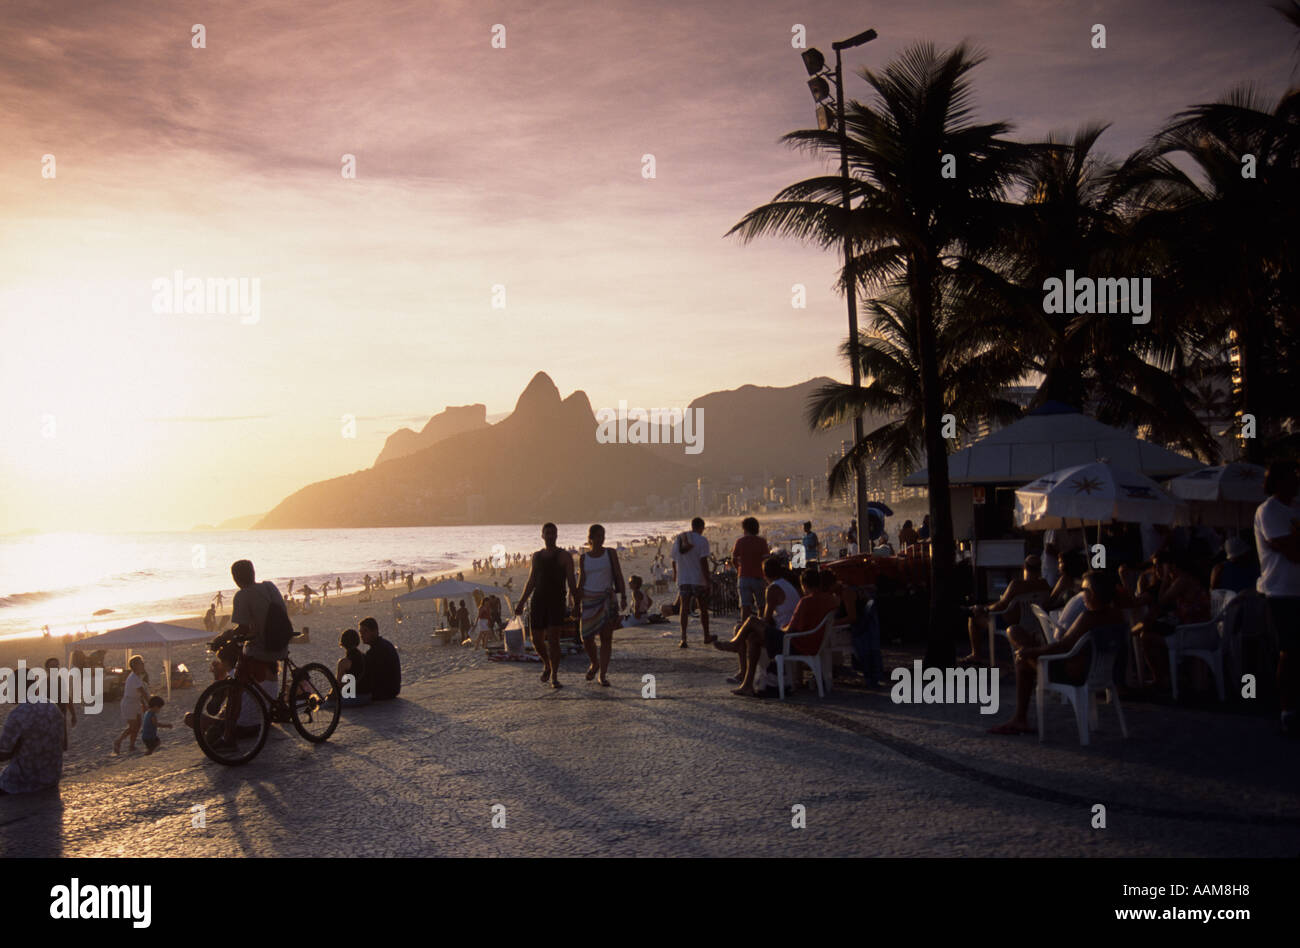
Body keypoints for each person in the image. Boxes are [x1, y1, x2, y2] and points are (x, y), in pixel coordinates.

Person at [990, 570, 1127, 735]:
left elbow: (1062, 646)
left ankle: (1020, 719)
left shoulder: (1088, 618)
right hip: (1102, 674)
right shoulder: (1117, 615)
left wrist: (1030, 651)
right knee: (1019, 638)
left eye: (1085, 590)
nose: (1082, 595)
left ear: (1095, 593)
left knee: (1022, 659)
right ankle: (1019, 718)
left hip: (1074, 674)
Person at [721, 568, 837, 698]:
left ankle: (736, 643)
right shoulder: (830, 600)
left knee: (752, 621)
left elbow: (791, 629)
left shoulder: (806, 602)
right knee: (753, 638)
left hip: (796, 643)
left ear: (804, 585)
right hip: (812, 642)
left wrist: (775, 630)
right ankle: (747, 684)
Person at [1254, 461, 1300, 737]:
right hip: (1281, 592)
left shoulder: (1296, 508)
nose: (1297, 481)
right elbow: (1290, 550)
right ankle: (1287, 710)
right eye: (1292, 477)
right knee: (1290, 652)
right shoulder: (1269, 511)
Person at [714, 555, 799, 685]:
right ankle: (746, 681)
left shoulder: (773, 588)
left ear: (764, 573)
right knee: (750, 635)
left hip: (785, 636)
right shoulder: (786, 584)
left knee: (751, 621)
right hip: (787, 632)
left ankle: (735, 645)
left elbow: (766, 620)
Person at [1132, 550, 1211, 689]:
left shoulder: (1182, 581)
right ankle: (1164, 678)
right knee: (1150, 631)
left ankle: (1161, 679)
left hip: (1195, 632)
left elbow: (1162, 600)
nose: (1155, 570)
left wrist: (1165, 580)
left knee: (1147, 637)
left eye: (1159, 566)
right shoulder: (1182, 579)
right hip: (1193, 629)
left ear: (1170, 565)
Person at [516, 523, 580, 688]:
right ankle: (547, 664)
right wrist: (522, 602)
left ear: (557, 535)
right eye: (547, 533)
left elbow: (572, 583)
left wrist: (576, 604)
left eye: (553, 533)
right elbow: (531, 581)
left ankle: (555, 676)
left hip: (556, 602)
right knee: (536, 640)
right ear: (542, 535)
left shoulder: (564, 556)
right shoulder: (537, 556)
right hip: (538, 601)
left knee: (554, 641)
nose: (550, 536)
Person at [961, 555, 1050, 666]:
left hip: (1012, 625)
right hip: (1037, 624)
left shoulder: (1016, 585)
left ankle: (976, 655)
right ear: (1040, 569)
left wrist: (983, 608)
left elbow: (1001, 605)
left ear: (1024, 567)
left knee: (973, 618)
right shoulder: (1045, 585)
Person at [577, 524, 626, 686]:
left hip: (606, 599)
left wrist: (624, 595)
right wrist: (575, 600)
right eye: (597, 536)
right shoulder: (584, 558)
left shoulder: (610, 553)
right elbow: (581, 580)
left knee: (606, 638)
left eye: (602, 535)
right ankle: (594, 663)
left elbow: (618, 574)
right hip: (589, 600)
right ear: (590, 538)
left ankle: (602, 675)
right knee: (586, 637)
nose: (600, 539)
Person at [0, 675, 65, 793]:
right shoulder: (52, 706)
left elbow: (3, 754)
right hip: (52, 777)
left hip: (24, 781)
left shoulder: (17, 714)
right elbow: (64, 744)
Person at [670, 517, 712, 648]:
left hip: (683, 579)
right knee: (703, 608)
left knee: (684, 608)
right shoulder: (702, 541)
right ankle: (706, 636)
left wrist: (676, 574)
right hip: (698, 579)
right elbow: (703, 561)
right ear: (701, 527)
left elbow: (673, 560)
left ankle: (683, 638)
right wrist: (708, 580)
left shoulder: (679, 539)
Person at [732, 517, 770, 623]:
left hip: (744, 576)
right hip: (759, 576)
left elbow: (734, 559)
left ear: (745, 528)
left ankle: (745, 631)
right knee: (761, 606)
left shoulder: (740, 542)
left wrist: (739, 569)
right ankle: (761, 628)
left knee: (745, 607)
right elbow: (767, 560)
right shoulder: (762, 542)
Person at [113, 655, 150, 755]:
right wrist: (150, 703)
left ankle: (131, 746)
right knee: (133, 726)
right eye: (141, 663)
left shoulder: (138, 676)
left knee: (138, 725)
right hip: (128, 704)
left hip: (135, 702)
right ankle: (118, 741)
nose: (143, 665)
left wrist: (144, 704)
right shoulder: (134, 678)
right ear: (136, 666)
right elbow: (142, 692)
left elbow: (141, 694)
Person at [358, 617, 401, 700]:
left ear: (375, 631)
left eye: (365, 631)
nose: (362, 635)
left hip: (384, 692)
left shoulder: (378, 650)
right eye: (360, 632)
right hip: (392, 690)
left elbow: (369, 677)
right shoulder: (384, 644)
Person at [44, 658, 77, 750]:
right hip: (48, 721)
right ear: (47, 669)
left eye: (56, 666)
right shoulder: (44, 683)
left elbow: (67, 698)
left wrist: (73, 714)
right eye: (52, 666)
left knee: (61, 746)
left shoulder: (61, 681)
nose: (55, 668)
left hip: (61, 719)